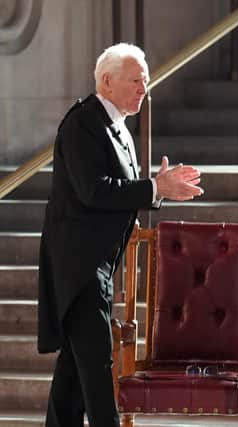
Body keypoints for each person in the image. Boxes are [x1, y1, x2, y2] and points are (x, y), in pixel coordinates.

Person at [37, 43, 204, 427]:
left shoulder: (118, 128)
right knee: (96, 372)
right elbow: (93, 190)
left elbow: (120, 193)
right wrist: (154, 187)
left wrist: (157, 189)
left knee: (73, 378)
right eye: (135, 81)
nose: (143, 88)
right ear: (108, 81)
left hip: (98, 265)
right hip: (79, 269)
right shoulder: (83, 123)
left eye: (145, 81)